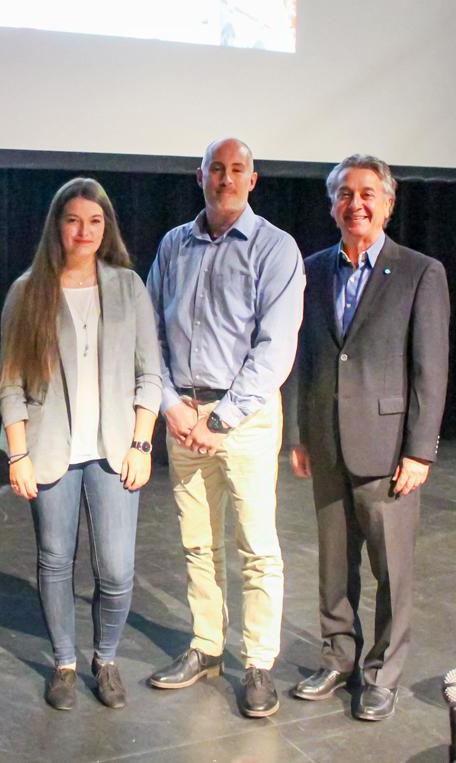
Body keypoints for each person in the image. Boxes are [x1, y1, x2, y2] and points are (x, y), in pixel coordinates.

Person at [145, 137, 305, 718]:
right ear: (200, 176)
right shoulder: (173, 245)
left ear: (253, 179)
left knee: (256, 546)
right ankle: (207, 647)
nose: (226, 178)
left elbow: (276, 346)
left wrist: (223, 418)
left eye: (237, 169)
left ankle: (258, 663)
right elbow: (149, 334)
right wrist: (170, 405)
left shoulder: (275, 248)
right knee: (197, 544)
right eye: (217, 169)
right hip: (184, 417)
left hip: (245, 420)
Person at [287, 154, 449, 721]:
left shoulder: (419, 272)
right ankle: (338, 657)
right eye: (344, 194)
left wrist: (419, 450)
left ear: (388, 202)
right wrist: (301, 434)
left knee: (391, 569)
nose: (355, 204)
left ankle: (382, 673)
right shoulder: (313, 268)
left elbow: (431, 367)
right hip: (327, 442)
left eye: (367, 194)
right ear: (333, 205)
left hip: (387, 449)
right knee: (335, 562)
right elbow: (306, 358)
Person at [0, 177, 161, 710]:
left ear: (106, 227)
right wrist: (17, 453)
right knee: (55, 561)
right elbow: (11, 384)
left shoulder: (129, 287)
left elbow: (149, 375)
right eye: (73, 220)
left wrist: (142, 443)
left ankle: (105, 658)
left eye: (95, 221)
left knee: (114, 569)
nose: (84, 230)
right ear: (57, 226)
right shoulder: (28, 291)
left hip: (116, 451)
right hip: (50, 453)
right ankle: (65, 663)